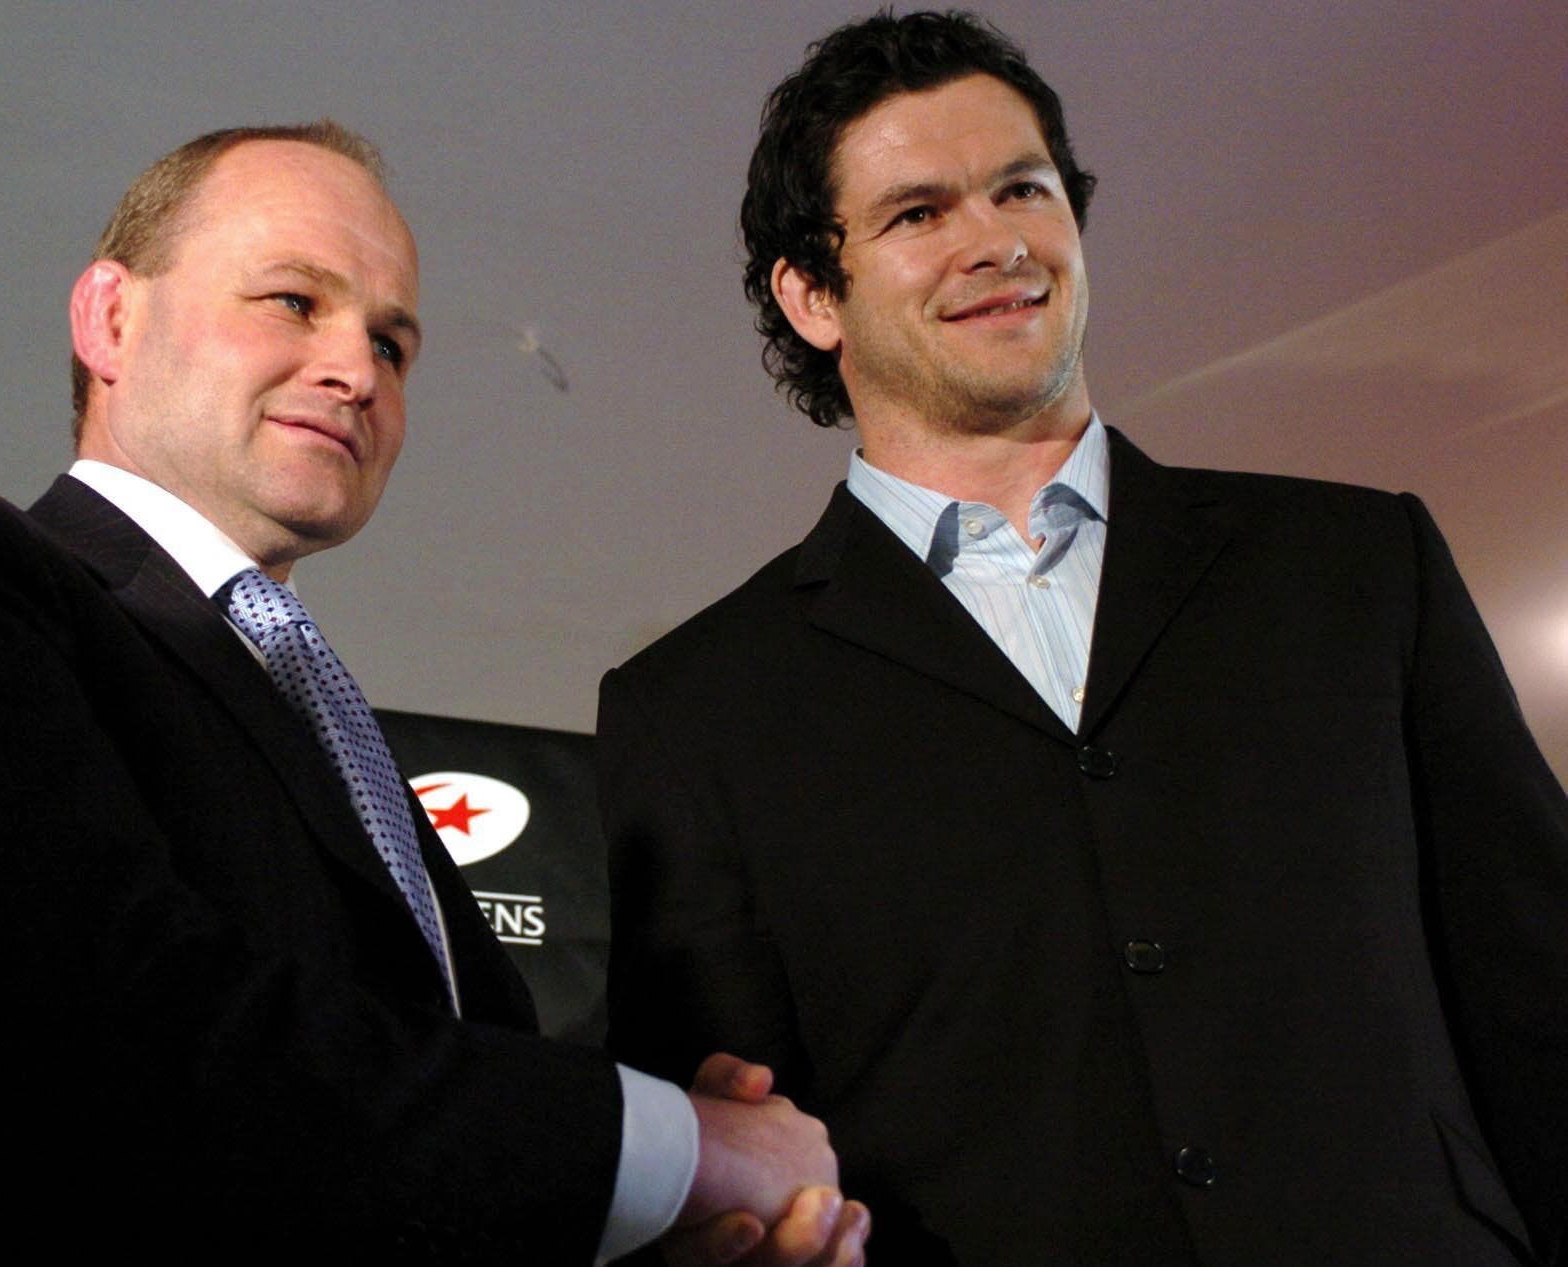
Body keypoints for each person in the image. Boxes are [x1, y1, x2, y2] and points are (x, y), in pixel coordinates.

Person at [0, 122, 869, 1265]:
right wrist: (672, 1146)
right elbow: (96, 1046)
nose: (355, 368)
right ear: (110, 318)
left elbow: (379, 1153)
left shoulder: (328, 734)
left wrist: (659, 1229)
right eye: (290, 301)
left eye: (393, 342)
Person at [600, 12, 1568, 1266]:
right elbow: (729, 1170)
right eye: (916, 214)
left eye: (1022, 188)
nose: (994, 240)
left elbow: (1534, 989)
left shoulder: (1358, 569)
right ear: (811, 293)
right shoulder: (697, 711)